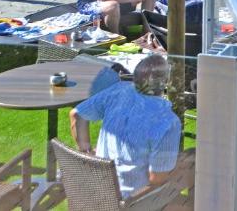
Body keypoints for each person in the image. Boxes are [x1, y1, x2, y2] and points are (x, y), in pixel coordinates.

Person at [69, 54, 193, 202]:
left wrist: (87, 152)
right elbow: (156, 181)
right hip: (132, 201)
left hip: (100, 190)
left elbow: (76, 115)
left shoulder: (117, 91)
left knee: (186, 161)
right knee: (194, 162)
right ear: (166, 83)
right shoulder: (167, 122)